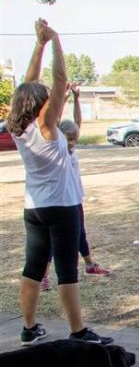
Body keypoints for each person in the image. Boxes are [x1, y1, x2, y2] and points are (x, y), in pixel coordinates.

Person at [8, 19, 113, 346]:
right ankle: (79, 332)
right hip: (62, 206)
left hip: (34, 208)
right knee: (67, 271)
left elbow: (29, 85)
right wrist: (55, 41)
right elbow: (59, 79)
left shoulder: (18, 127)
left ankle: (29, 328)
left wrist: (38, 45)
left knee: (33, 269)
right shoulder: (47, 128)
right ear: (42, 107)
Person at [39, 84, 111, 291]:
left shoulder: (72, 148)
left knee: (80, 233)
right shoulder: (57, 149)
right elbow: (55, 122)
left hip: (74, 199)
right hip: (59, 202)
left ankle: (89, 264)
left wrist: (76, 98)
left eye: (73, 139)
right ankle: (44, 276)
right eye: (68, 139)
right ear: (61, 138)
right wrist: (61, 97)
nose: (71, 142)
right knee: (53, 240)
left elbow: (77, 123)